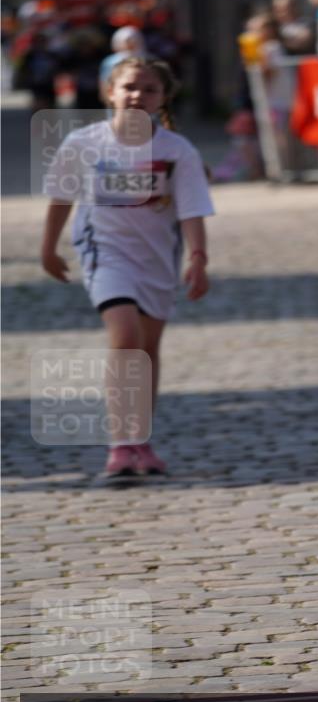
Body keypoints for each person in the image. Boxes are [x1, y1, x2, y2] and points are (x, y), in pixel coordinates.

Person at [40, 58, 214, 478]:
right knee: (126, 336)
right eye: (130, 87)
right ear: (110, 92)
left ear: (163, 99)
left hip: (157, 257)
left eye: (150, 89)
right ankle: (119, 446)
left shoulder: (177, 151)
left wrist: (198, 258)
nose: (138, 96)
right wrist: (48, 248)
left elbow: (192, 209)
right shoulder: (83, 143)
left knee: (147, 352)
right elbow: (61, 198)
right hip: (104, 251)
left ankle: (141, 440)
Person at [98, 25, 147, 94]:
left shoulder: (148, 60)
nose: (130, 44)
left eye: (133, 40)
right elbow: (104, 83)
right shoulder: (110, 62)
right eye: (127, 41)